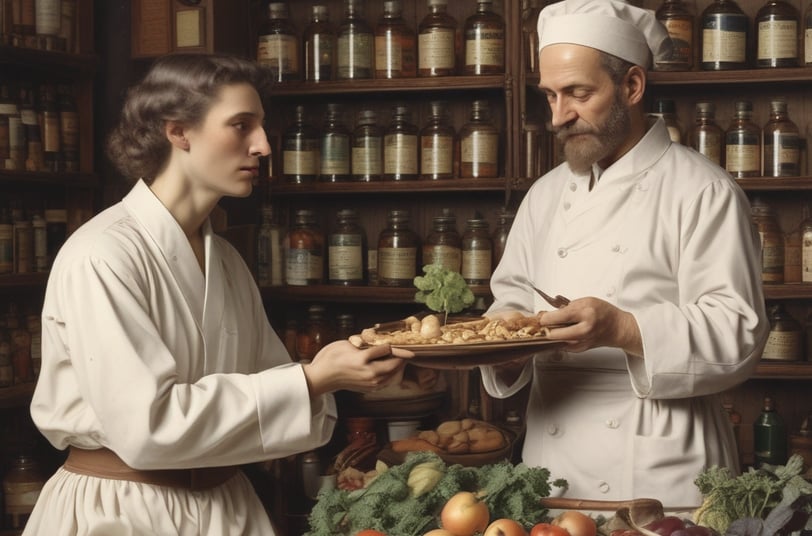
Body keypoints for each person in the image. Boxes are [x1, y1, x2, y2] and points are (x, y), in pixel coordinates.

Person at [24, 53, 410, 535]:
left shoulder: (225, 259)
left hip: (225, 505)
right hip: (120, 509)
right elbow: (147, 428)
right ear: (178, 132)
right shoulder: (102, 255)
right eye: (241, 125)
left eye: (261, 126)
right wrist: (311, 380)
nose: (264, 146)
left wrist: (336, 373)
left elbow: (283, 399)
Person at [479, 0, 768, 510]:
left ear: (632, 87)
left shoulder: (702, 190)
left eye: (578, 94)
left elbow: (738, 332)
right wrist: (502, 345)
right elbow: (509, 304)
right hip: (553, 472)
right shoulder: (544, 196)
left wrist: (622, 330)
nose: (558, 116)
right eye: (549, 95)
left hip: (663, 474)